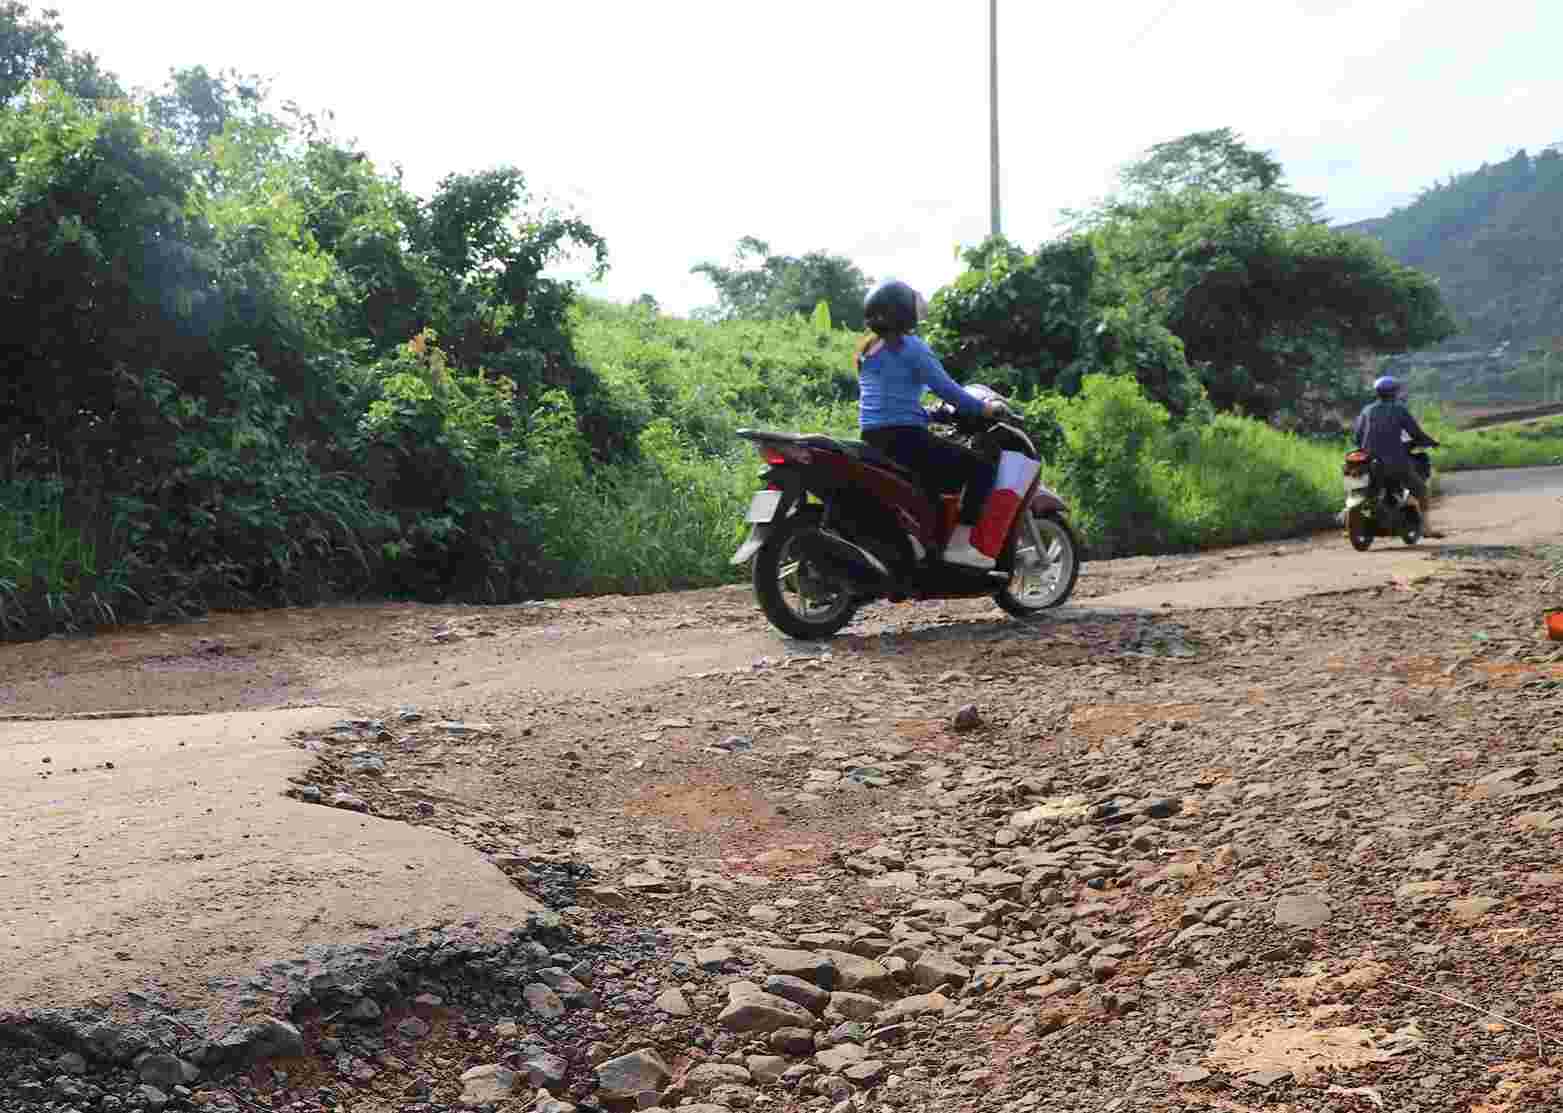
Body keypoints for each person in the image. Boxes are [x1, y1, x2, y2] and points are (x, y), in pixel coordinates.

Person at [855, 279, 1010, 570]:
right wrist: (986, 408)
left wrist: (926, 415)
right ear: (903, 312)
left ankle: (917, 539)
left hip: (873, 435)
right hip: (904, 436)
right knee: (980, 468)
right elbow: (947, 389)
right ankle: (961, 545)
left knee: (927, 481)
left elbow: (886, 397)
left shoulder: (868, 350)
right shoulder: (911, 347)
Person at [1353, 375, 1443, 537]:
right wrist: (1432, 442)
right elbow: (1416, 433)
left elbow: (1357, 437)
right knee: (1421, 490)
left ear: (1377, 392)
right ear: (1395, 392)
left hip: (1369, 461)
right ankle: (1426, 528)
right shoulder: (1399, 409)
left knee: (1361, 489)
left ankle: (1352, 524)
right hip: (1395, 461)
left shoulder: (1366, 410)